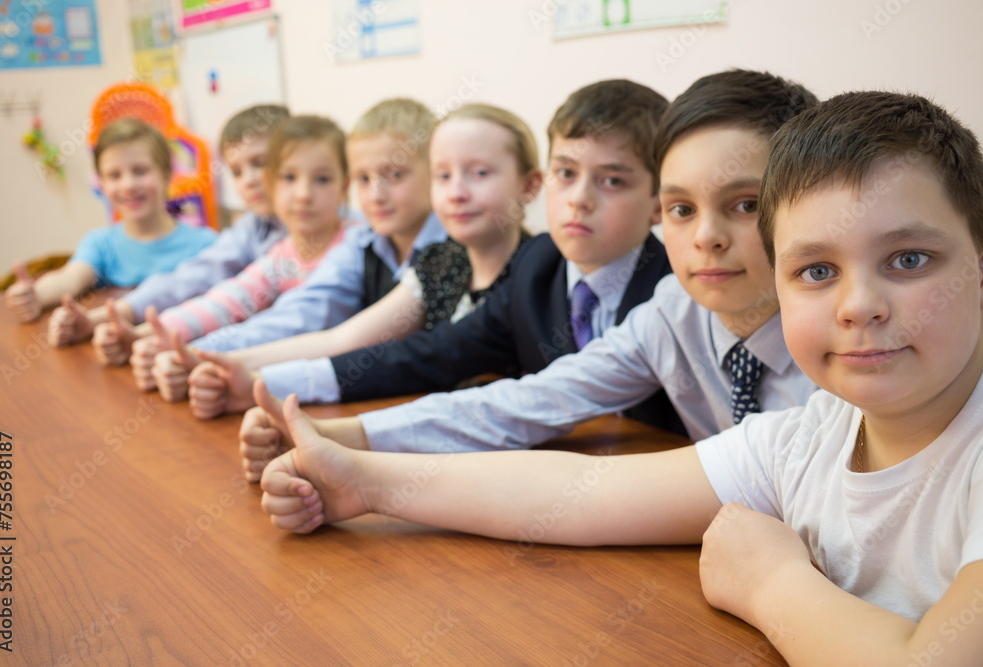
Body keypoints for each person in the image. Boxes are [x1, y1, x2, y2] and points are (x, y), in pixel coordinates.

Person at [260, 90, 983, 664]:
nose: (859, 306)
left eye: (910, 259)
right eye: (817, 270)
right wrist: (367, 479)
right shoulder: (809, 436)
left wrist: (770, 581)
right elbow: (582, 492)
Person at [239, 69, 820, 478]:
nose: (706, 236)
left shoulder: (838, 340)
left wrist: (367, 478)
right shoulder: (661, 307)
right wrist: (343, 437)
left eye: (745, 204)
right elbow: (515, 400)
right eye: (684, 209)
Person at [184, 80, 682, 433]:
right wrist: (260, 382)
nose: (579, 199)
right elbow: (429, 355)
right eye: (567, 173)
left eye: (612, 180)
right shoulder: (539, 267)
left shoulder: (676, 290)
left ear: (659, 201)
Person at [181, 103, 542, 418]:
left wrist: (259, 379)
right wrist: (223, 364)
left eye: (479, 173)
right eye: (444, 175)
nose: (457, 192)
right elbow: (341, 338)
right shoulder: (437, 262)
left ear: (529, 185)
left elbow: (422, 357)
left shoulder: (536, 266)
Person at [119, 115, 350, 393]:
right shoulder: (283, 252)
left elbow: (294, 320)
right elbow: (232, 298)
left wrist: (197, 355)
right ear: (273, 184)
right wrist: (163, 335)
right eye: (289, 177)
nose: (303, 194)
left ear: (344, 187)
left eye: (322, 179)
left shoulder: (355, 245)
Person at [46, 104, 290, 354]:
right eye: (236, 172)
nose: (248, 180)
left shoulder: (310, 237)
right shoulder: (252, 227)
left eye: (260, 163)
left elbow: (288, 317)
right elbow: (192, 281)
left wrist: (183, 349)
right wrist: (108, 319)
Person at [4, 118, 216, 323]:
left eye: (140, 171)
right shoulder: (101, 244)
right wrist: (36, 295)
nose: (128, 185)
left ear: (166, 175)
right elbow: (70, 278)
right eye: (114, 175)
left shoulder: (207, 245)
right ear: (102, 184)